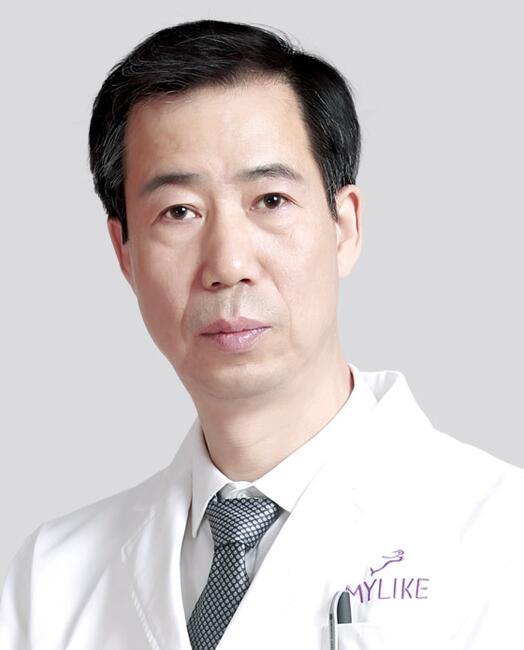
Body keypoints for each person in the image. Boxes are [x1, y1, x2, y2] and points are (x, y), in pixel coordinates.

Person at [0, 18, 523, 650]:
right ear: (124, 253)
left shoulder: (503, 539)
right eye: (178, 212)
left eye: (270, 200)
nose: (228, 263)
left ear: (345, 226)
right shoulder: (50, 581)